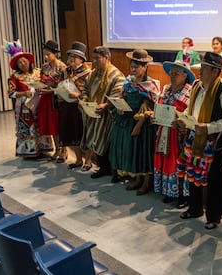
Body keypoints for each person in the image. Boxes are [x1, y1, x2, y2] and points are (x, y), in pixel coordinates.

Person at [177, 52, 222, 229]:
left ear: (214, 70)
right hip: (195, 137)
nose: (199, 71)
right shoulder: (196, 85)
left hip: (214, 142)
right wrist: (184, 120)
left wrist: (208, 127)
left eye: (203, 68)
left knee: (213, 181)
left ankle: (213, 217)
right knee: (193, 175)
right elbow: (190, 107)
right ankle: (195, 208)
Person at [109, 49, 160, 195]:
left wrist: (139, 124)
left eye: (136, 67)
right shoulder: (128, 82)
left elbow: (149, 107)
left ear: (144, 67)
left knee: (143, 152)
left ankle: (147, 182)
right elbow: (122, 97)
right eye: (131, 66)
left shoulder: (151, 85)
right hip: (127, 121)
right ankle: (137, 179)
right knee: (134, 152)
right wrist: (120, 107)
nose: (132, 69)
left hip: (142, 125)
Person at [153, 61, 195, 207]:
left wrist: (181, 121)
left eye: (176, 73)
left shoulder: (190, 92)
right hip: (164, 131)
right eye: (172, 72)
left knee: (179, 163)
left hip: (179, 135)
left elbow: (190, 112)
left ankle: (183, 195)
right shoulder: (166, 89)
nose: (173, 75)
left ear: (185, 76)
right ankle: (169, 192)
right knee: (164, 159)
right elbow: (158, 105)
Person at [80, 46, 125, 180]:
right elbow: (85, 89)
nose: (94, 61)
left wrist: (106, 105)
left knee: (109, 144)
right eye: (93, 58)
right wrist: (84, 99)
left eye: (97, 58)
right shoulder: (93, 74)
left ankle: (114, 171)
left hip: (109, 116)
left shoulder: (116, 75)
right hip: (93, 113)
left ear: (106, 58)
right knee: (96, 140)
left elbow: (118, 94)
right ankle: (102, 168)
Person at [57, 41, 93, 171]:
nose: (71, 59)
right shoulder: (66, 71)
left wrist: (78, 95)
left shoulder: (88, 73)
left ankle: (88, 161)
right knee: (72, 134)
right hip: (67, 106)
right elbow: (60, 84)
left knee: (84, 133)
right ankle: (78, 159)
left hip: (80, 107)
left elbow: (90, 91)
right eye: (70, 56)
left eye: (74, 57)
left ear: (81, 59)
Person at [4, 40, 42, 157]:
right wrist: (24, 93)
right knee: (27, 128)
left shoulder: (38, 72)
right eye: (19, 63)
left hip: (40, 104)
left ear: (29, 61)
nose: (22, 64)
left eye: (24, 61)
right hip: (24, 108)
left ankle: (43, 149)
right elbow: (11, 93)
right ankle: (29, 151)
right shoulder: (14, 77)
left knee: (41, 126)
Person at [37, 40, 66, 160]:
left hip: (57, 99)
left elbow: (64, 86)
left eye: (48, 54)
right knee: (51, 125)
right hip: (45, 98)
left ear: (55, 54)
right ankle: (56, 149)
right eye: (45, 54)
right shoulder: (44, 67)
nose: (46, 57)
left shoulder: (62, 67)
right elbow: (42, 81)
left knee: (59, 124)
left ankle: (64, 150)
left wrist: (51, 90)